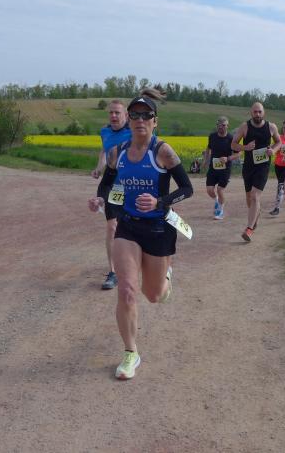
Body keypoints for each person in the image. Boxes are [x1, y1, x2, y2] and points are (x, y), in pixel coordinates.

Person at [95, 88, 194, 380]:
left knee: (154, 295)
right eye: (135, 115)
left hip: (158, 229)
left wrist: (160, 202)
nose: (140, 120)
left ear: (154, 121)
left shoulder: (162, 151)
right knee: (127, 290)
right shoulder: (118, 153)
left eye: (146, 115)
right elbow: (108, 185)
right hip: (128, 227)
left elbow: (187, 188)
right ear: (129, 120)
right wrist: (101, 199)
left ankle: (166, 278)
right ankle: (131, 353)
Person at [90, 100, 131, 290]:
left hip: (129, 181)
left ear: (126, 116)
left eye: (117, 113)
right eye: (111, 113)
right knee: (112, 226)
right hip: (111, 182)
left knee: (129, 224)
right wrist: (99, 168)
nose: (113, 116)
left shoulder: (134, 131)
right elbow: (104, 152)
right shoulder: (105, 132)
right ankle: (113, 272)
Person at [231, 102, 281, 242]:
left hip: (263, 166)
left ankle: (249, 229)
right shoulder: (245, 127)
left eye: (260, 111)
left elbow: (278, 142)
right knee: (249, 198)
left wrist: (273, 150)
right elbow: (233, 144)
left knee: (255, 195)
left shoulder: (271, 127)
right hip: (248, 167)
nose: (257, 114)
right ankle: (255, 217)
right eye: (255, 112)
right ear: (251, 113)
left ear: (263, 112)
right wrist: (245, 147)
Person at [202, 116, 238, 220]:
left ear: (227, 126)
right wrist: (205, 160)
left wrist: (228, 158)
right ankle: (217, 200)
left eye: (223, 125)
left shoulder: (231, 139)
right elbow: (208, 148)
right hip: (213, 167)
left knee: (220, 189)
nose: (221, 127)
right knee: (209, 190)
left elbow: (238, 154)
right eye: (219, 125)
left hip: (225, 169)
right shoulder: (212, 136)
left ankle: (221, 210)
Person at [269, 120, 285, 216]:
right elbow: (273, 147)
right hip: (278, 165)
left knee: (281, 185)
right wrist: (271, 149)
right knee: (282, 185)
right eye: (284, 127)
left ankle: (277, 208)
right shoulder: (279, 138)